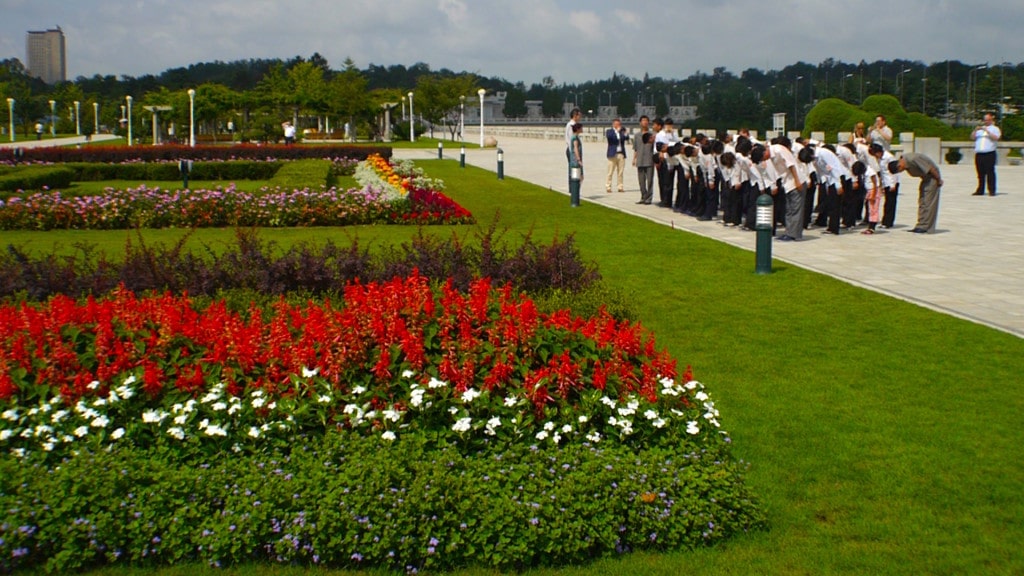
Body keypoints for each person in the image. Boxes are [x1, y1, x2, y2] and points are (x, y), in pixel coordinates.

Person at [764, 137, 806, 241]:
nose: (764, 160)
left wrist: (797, 181)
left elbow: (791, 165)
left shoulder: (779, 150)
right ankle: (788, 232)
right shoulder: (772, 155)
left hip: (796, 182)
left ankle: (794, 234)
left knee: (796, 209)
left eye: (763, 157)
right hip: (787, 184)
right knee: (789, 209)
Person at [889, 153, 943, 234]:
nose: (902, 171)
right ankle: (920, 225)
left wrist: (939, 180)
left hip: (933, 177)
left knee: (928, 202)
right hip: (925, 178)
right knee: (922, 201)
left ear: (899, 166)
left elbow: (931, 168)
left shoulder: (912, 159)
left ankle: (926, 227)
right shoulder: (905, 162)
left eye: (900, 171)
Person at [869, 143, 900, 228]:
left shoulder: (889, 157)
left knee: (890, 203)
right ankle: (885, 221)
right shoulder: (880, 158)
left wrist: (893, 184)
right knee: (887, 202)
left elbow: (894, 172)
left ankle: (888, 222)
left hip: (891, 183)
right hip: (886, 182)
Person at [972, 113, 1001, 196]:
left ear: (991, 120)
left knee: (990, 172)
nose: (986, 121)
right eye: (985, 120)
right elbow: (972, 137)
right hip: (979, 153)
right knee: (980, 173)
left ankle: (992, 190)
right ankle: (980, 190)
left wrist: (987, 131)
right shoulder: (979, 130)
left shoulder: (995, 129)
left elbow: (996, 138)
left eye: (987, 120)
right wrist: (975, 130)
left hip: (989, 153)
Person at [632, 115, 654, 205]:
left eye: (646, 120)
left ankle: (649, 198)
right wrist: (634, 159)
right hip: (640, 160)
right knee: (641, 181)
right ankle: (643, 196)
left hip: (649, 160)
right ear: (640, 123)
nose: (644, 122)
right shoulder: (637, 135)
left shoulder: (652, 135)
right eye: (643, 121)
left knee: (649, 180)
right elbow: (636, 148)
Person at [605, 118, 628, 193]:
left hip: (621, 153)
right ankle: (608, 186)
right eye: (617, 124)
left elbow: (626, 138)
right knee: (610, 172)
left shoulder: (621, 132)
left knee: (620, 172)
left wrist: (625, 133)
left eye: (619, 124)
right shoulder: (609, 131)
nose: (618, 125)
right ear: (613, 124)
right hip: (612, 154)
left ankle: (620, 186)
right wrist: (616, 132)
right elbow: (610, 138)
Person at [568, 122, 584, 207]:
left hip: (574, 161)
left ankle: (576, 195)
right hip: (575, 162)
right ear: (578, 129)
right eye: (581, 128)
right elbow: (576, 149)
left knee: (580, 178)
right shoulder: (575, 138)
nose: (582, 129)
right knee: (578, 178)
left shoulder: (575, 137)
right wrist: (579, 160)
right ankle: (575, 196)